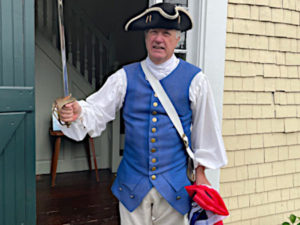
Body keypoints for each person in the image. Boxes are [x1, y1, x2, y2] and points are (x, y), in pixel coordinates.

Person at [58, 3, 227, 225]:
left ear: (177, 39)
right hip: (132, 186)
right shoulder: (124, 77)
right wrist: (78, 111)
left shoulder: (196, 80)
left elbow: (206, 131)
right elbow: (96, 110)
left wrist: (201, 173)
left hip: (175, 188)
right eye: (153, 32)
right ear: (145, 37)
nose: (159, 39)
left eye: (166, 33)